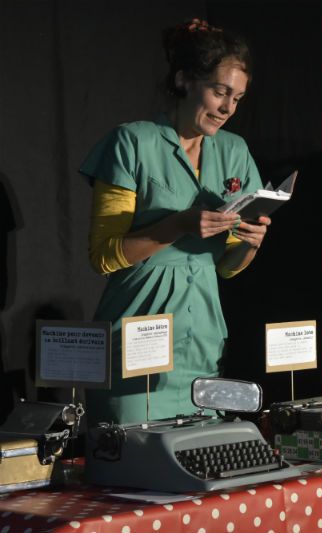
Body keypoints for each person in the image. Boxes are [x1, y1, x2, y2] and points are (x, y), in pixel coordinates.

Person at [80, 19, 269, 424]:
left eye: (237, 98)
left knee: (198, 453)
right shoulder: (132, 142)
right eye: (219, 92)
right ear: (184, 80)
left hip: (202, 338)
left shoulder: (235, 151)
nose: (228, 108)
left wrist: (251, 243)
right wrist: (178, 225)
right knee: (131, 452)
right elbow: (104, 257)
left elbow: (227, 267)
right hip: (137, 338)